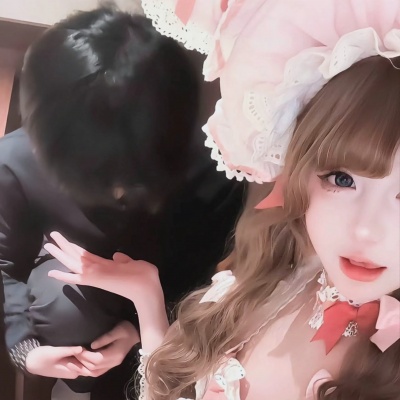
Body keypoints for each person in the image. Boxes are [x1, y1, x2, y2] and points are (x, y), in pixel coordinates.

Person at [45, 1, 400, 399]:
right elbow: (174, 386)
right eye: (342, 179)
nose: (366, 230)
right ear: (300, 173)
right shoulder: (283, 279)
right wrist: (146, 295)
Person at [0, 6, 245, 400]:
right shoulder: (16, 162)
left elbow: (201, 276)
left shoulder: (213, 174)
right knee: (66, 308)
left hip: (166, 316)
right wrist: (25, 350)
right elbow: (5, 264)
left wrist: (137, 326)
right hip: (74, 320)